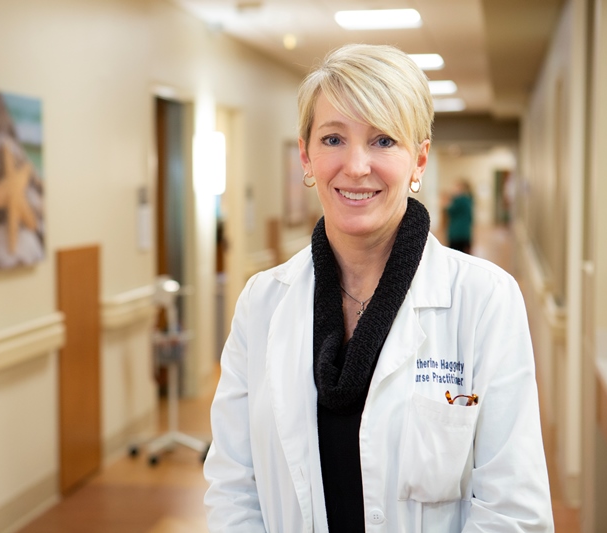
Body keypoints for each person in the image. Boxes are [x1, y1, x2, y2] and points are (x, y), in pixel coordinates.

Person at [203, 44, 553, 532]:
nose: (357, 165)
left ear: (420, 161)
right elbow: (233, 487)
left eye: (384, 140)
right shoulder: (262, 303)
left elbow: (513, 511)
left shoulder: (485, 300)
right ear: (306, 156)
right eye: (332, 139)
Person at [446, 179, 474, 253]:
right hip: (465, 233)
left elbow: (450, 210)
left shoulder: (459, 200)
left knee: (455, 254)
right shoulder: (469, 199)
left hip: (457, 233)